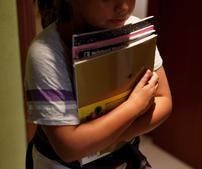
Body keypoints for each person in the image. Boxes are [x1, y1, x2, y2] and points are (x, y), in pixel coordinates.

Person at [25, 0, 172, 169]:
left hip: (122, 157)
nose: (123, 7)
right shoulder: (46, 53)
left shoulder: (135, 30)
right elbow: (69, 148)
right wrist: (135, 105)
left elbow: (164, 100)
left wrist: (100, 140)